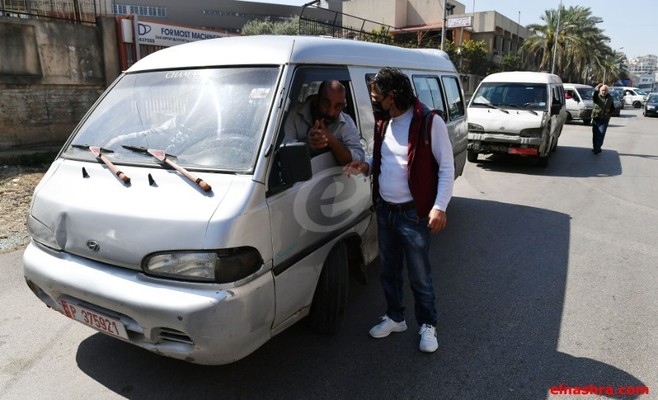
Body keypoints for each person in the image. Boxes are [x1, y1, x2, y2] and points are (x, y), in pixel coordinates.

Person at [344, 67, 455, 353]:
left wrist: (439, 207)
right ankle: (396, 318)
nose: (374, 100)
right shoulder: (385, 123)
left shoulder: (430, 122)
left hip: (413, 215)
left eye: (376, 96)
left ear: (392, 96)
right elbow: (385, 156)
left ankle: (428, 325)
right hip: (386, 211)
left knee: (419, 275)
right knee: (389, 271)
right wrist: (366, 165)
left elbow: (445, 167)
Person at [284, 80, 365, 165]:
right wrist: (307, 143)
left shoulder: (346, 122)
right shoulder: (294, 114)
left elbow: (358, 162)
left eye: (337, 106)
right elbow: (281, 152)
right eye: (326, 104)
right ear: (316, 100)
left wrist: (331, 140)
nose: (330, 112)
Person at [591, 83, 615, 154]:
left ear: (607, 91)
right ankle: (595, 147)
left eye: (605, 90)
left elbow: (613, 108)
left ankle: (598, 147)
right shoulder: (597, 96)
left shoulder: (610, 98)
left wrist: (609, 111)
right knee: (595, 134)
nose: (603, 92)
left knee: (601, 133)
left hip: (604, 119)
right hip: (596, 118)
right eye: (602, 90)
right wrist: (596, 88)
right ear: (600, 90)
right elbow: (594, 95)